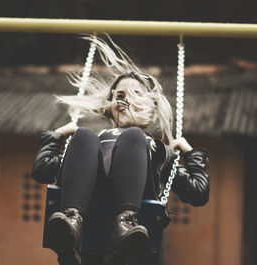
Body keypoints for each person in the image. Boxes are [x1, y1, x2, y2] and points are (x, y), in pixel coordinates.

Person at [31, 36, 209, 265]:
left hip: (131, 242)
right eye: (119, 96)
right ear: (111, 104)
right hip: (90, 233)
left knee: (133, 137)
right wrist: (56, 137)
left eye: (135, 95)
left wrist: (189, 153)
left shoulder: (156, 151)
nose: (124, 101)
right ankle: (71, 223)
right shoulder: (90, 144)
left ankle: (126, 226)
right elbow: (42, 171)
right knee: (83, 134)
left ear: (152, 106)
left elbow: (198, 192)